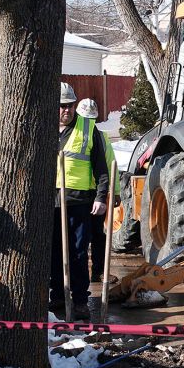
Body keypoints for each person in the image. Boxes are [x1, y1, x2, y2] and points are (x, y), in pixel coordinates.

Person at [52, 83, 112, 321]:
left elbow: (102, 168)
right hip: (51, 202)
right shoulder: (44, 127)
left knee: (77, 252)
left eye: (70, 106)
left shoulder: (88, 129)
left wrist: (101, 196)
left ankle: (79, 301)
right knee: (53, 252)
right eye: (62, 106)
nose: (66, 111)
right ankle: (57, 294)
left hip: (78, 202)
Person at [76, 98, 116, 282]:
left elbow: (110, 165)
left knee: (98, 235)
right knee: (80, 238)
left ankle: (98, 271)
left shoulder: (101, 137)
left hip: (95, 193)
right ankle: (79, 274)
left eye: (91, 120)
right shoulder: (70, 135)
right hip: (77, 194)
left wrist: (113, 193)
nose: (89, 124)